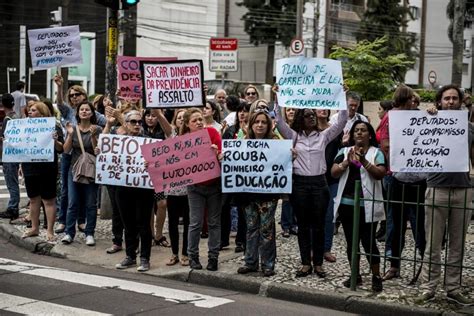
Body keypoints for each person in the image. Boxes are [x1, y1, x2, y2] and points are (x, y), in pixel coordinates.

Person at [275, 96, 348, 278]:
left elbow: (342, 121)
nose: (312, 118)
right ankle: (305, 263)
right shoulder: (293, 136)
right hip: (299, 184)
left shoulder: (324, 136)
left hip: (319, 183)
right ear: (301, 118)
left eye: (313, 115)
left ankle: (318, 264)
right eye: (307, 115)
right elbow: (278, 121)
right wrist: (277, 97)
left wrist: (342, 96)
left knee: (319, 225)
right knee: (303, 225)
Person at [416, 85, 473, 305]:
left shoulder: (469, 127)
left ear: (460, 102)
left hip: (463, 190)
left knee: (457, 244)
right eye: (446, 98)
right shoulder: (429, 121)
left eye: (454, 98)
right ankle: (428, 287)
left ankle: (453, 288)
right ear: (440, 101)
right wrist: (428, 114)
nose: (450, 102)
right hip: (437, 188)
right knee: (433, 244)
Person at [331, 120, 386, 292]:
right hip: (347, 204)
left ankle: (376, 276)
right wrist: (346, 163)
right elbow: (333, 172)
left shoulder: (377, 153)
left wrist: (364, 162)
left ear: (370, 134)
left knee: (369, 242)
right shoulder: (344, 151)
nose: (359, 133)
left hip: (367, 205)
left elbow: (380, 174)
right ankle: (355, 274)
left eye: (363, 130)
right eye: (356, 131)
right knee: (351, 242)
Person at [383, 88, 427, 281]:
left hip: (420, 179)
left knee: (421, 225)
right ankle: (394, 265)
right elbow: (384, 144)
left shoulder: (423, 117)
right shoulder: (390, 118)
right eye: (411, 99)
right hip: (398, 178)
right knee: (396, 224)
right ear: (406, 100)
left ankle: (426, 265)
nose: (414, 103)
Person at [236, 110, 280, 277]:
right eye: (257, 122)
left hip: (268, 194)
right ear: (251, 125)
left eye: (263, 122)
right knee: (251, 228)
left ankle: (268, 264)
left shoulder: (276, 143)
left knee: (267, 229)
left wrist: (291, 157)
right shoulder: (242, 143)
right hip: (248, 195)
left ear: (268, 125)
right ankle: (250, 262)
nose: (260, 125)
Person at [114, 110, 155, 272]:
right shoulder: (117, 142)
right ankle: (130, 256)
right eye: (133, 122)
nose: (137, 125)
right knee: (128, 223)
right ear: (126, 124)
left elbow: (159, 162)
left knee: (144, 224)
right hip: (123, 188)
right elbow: (107, 157)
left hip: (143, 188)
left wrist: (151, 163)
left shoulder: (149, 142)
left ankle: (145, 258)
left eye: (139, 122)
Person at [181, 108, 222, 271]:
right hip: (195, 187)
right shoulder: (183, 140)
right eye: (194, 120)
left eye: (200, 119)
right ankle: (193, 257)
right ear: (187, 124)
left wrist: (218, 154)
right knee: (195, 223)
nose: (198, 122)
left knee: (213, 223)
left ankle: (213, 258)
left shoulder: (212, 133)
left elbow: (221, 156)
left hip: (214, 185)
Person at [20, 102, 64, 241]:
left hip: (47, 168)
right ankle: (34, 228)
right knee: (33, 199)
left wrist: (55, 140)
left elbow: (60, 149)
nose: (30, 112)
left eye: (33, 110)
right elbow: (21, 147)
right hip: (29, 167)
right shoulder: (24, 126)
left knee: (48, 200)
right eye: (30, 110)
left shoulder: (54, 126)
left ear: (42, 112)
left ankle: (50, 231)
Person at [61, 101, 102, 246]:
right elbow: (66, 150)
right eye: (82, 110)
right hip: (74, 170)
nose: (84, 111)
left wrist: (93, 137)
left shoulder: (97, 129)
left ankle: (89, 233)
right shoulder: (73, 128)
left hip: (91, 170)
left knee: (91, 203)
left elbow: (99, 150)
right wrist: (69, 135)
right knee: (72, 202)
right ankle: (69, 233)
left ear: (92, 113)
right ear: (77, 113)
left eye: (87, 109)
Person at [155, 109, 190, 266]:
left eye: (185, 118)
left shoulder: (195, 138)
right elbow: (159, 116)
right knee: (173, 221)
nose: (182, 120)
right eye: (179, 118)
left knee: (189, 222)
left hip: (191, 189)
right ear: (175, 121)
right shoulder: (172, 135)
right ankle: (175, 253)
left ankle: (186, 253)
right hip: (174, 188)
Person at [317, 109, 342, 263]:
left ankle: (326, 249)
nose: (323, 109)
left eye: (326, 106)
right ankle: (313, 249)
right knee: (313, 216)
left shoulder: (334, 129)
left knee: (329, 216)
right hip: (314, 178)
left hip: (331, 179)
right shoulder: (309, 130)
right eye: (320, 105)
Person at [142, 108, 170, 248]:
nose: (150, 118)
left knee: (162, 204)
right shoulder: (140, 131)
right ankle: (151, 235)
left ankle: (159, 234)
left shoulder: (163, 132)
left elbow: (170, 133)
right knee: (147, 207)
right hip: (143, 174)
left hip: (160, 173)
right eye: (148, 115)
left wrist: (160, 114)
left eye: (153, 116)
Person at [0, 94, 21, 220]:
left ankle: (13, 208)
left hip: (9, 155)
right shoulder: (16, 117)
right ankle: (13, 207)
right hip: (14, 155)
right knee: (13, 182)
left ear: (3, 104)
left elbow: (5, 139)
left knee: (11, 183)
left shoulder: (8, 119)